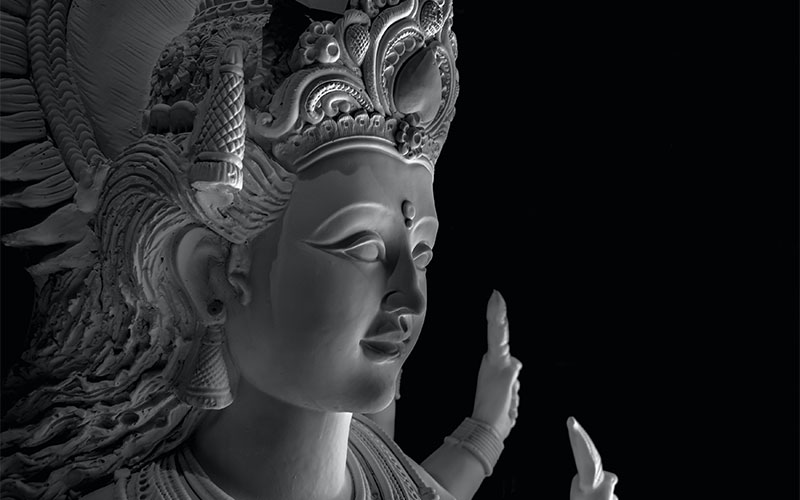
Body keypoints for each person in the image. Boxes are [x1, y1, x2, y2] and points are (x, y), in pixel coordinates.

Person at [0, 0, 618, 498]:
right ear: (214, 273)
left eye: (422, 254)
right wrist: (484, 433)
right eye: (362, 247)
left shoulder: (379, 470)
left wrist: (486, 429)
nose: (409, 296)